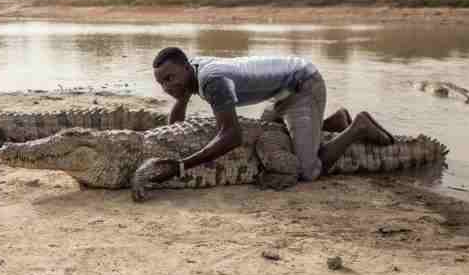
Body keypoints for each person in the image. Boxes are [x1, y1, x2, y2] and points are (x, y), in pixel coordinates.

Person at [148, 47, 394, 185]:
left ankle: (358, 127)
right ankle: (335, 121)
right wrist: (179, 96)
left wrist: (181, 166)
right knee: (275, 136)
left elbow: (232, 135)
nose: (166, 87)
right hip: (277, 94)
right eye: (161, 83)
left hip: (302, 85)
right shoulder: (191, 70)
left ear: (186, 68)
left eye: (170, 79)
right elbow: (176, 128)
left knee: (308, 171)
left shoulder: (212, 81)